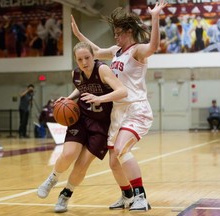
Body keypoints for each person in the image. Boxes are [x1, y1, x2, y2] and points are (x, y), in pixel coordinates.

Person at [71, 0, 167, 211]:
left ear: (129, 31)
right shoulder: (116, 51)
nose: (115, 37)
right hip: (118, 111)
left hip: (136, 108)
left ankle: (141, 197)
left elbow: (154, 46)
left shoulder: (137, 51)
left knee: (122, 150)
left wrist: (155, 17)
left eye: (118, 33)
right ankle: (127, 196)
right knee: (114, 162)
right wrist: (79, 35)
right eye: (114, 33)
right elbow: (94, 51)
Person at [37, 41, 127, 213]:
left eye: (87, 58)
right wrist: (68, 99)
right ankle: (52, 178)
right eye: (80, 59)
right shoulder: (76, 73)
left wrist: (100, 98)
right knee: (68, 153)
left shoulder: (102, 70)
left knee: (82, 164)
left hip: (101, 124)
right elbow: (80, 88)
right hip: (82, 118)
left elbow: (122, 91)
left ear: (93, 56)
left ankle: (65, 195)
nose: (84, 62)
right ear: (76, 61)